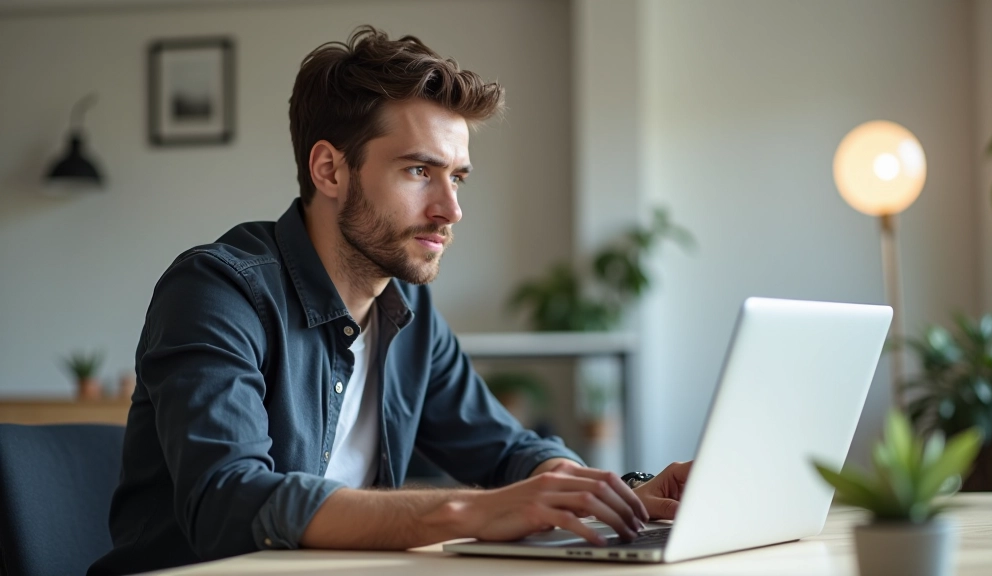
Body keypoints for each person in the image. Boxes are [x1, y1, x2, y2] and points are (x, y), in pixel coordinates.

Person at [88, 26, 691, 576]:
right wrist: (468, 512)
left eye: (456, 177)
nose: (451, 211)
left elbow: (510, 452)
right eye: (418, 171)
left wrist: (608, 497)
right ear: (329, 169)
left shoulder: (408, 312)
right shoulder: (218, 291)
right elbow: (229, 500)